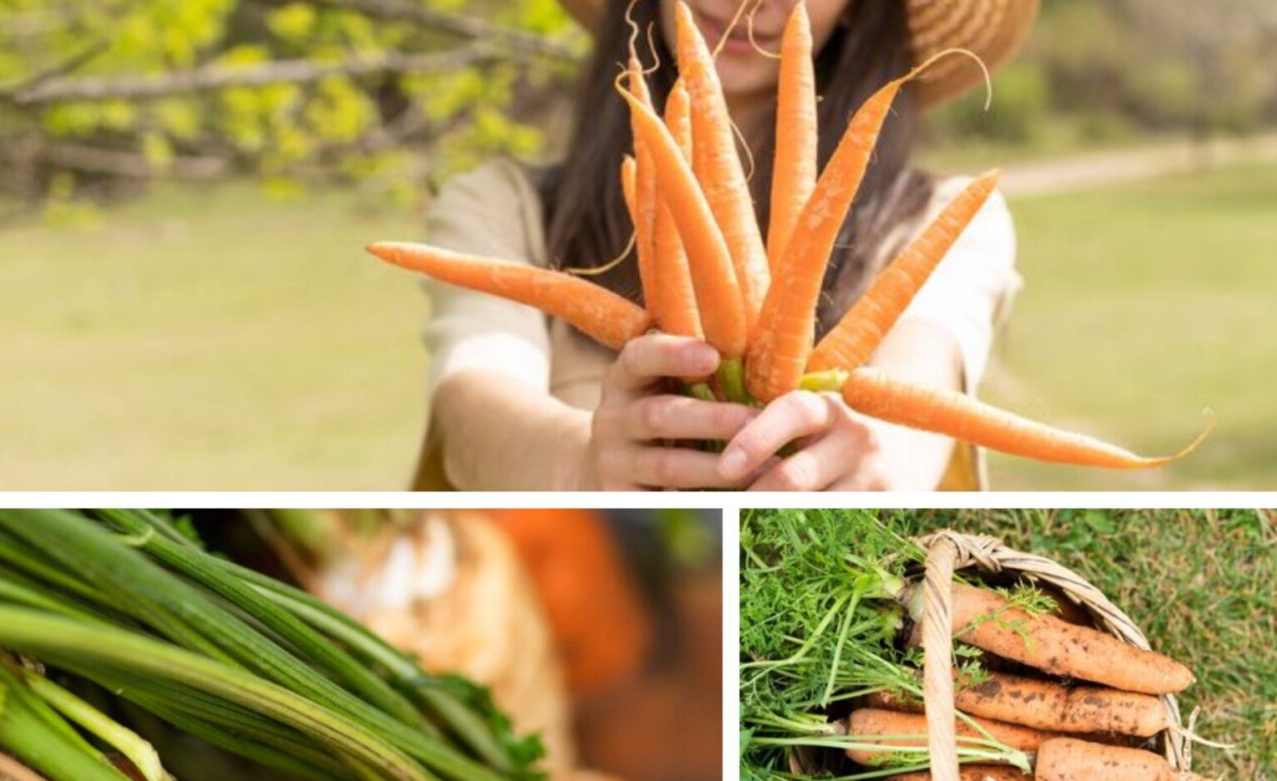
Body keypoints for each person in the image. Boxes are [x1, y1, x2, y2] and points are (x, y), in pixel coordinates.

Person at [412, 0, 1036, 491]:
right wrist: (579, 466)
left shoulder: (943, 220)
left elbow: (922, 376)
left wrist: (876, 459)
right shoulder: (502, 205)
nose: (748, 1)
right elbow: (475, 402)